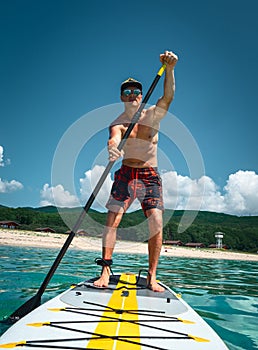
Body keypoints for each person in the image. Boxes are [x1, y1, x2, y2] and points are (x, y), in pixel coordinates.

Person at [94, 50, 178, 292]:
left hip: (149, 174)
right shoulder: (117, 123)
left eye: (136, 91)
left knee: (156, 221)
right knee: (113, 218)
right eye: (127, 92)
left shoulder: (152, 115)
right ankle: (105, 269)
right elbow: (113, 139)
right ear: (121, 97)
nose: (132, 95)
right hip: (125, 173)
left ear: (141, 95)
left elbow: (168, 97)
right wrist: (112, 150)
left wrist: (170, 69)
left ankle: (151, 275)